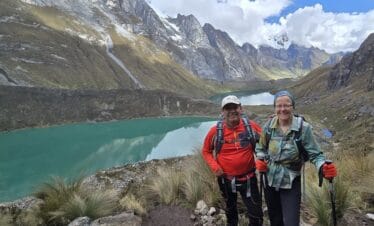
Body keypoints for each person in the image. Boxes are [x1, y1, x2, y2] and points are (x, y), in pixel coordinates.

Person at [255, 90, 338, 226]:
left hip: (291, 181)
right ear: (275, 107)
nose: (283, 109)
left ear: (292, 106)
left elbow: (315, 154)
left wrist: (323, 167)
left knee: (291, 222)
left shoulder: (303, 129)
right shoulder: (268, 127)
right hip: (270, 180)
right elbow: (261, 148)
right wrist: (260, 159)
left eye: (286, 105)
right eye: (279, 106)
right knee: (275, 220)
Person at [202, 95, 263, 226]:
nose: (232, 111)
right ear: (222, 112)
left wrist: (262, 160)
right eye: (227, 108)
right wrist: (215, 167)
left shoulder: (250, 126)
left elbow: (266, 143)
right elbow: (206, 151)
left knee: (256, 214)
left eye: (234, 107)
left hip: (249, 179)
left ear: (241, 109)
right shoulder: (215, 131)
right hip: (226, 180)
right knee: (230, 211)